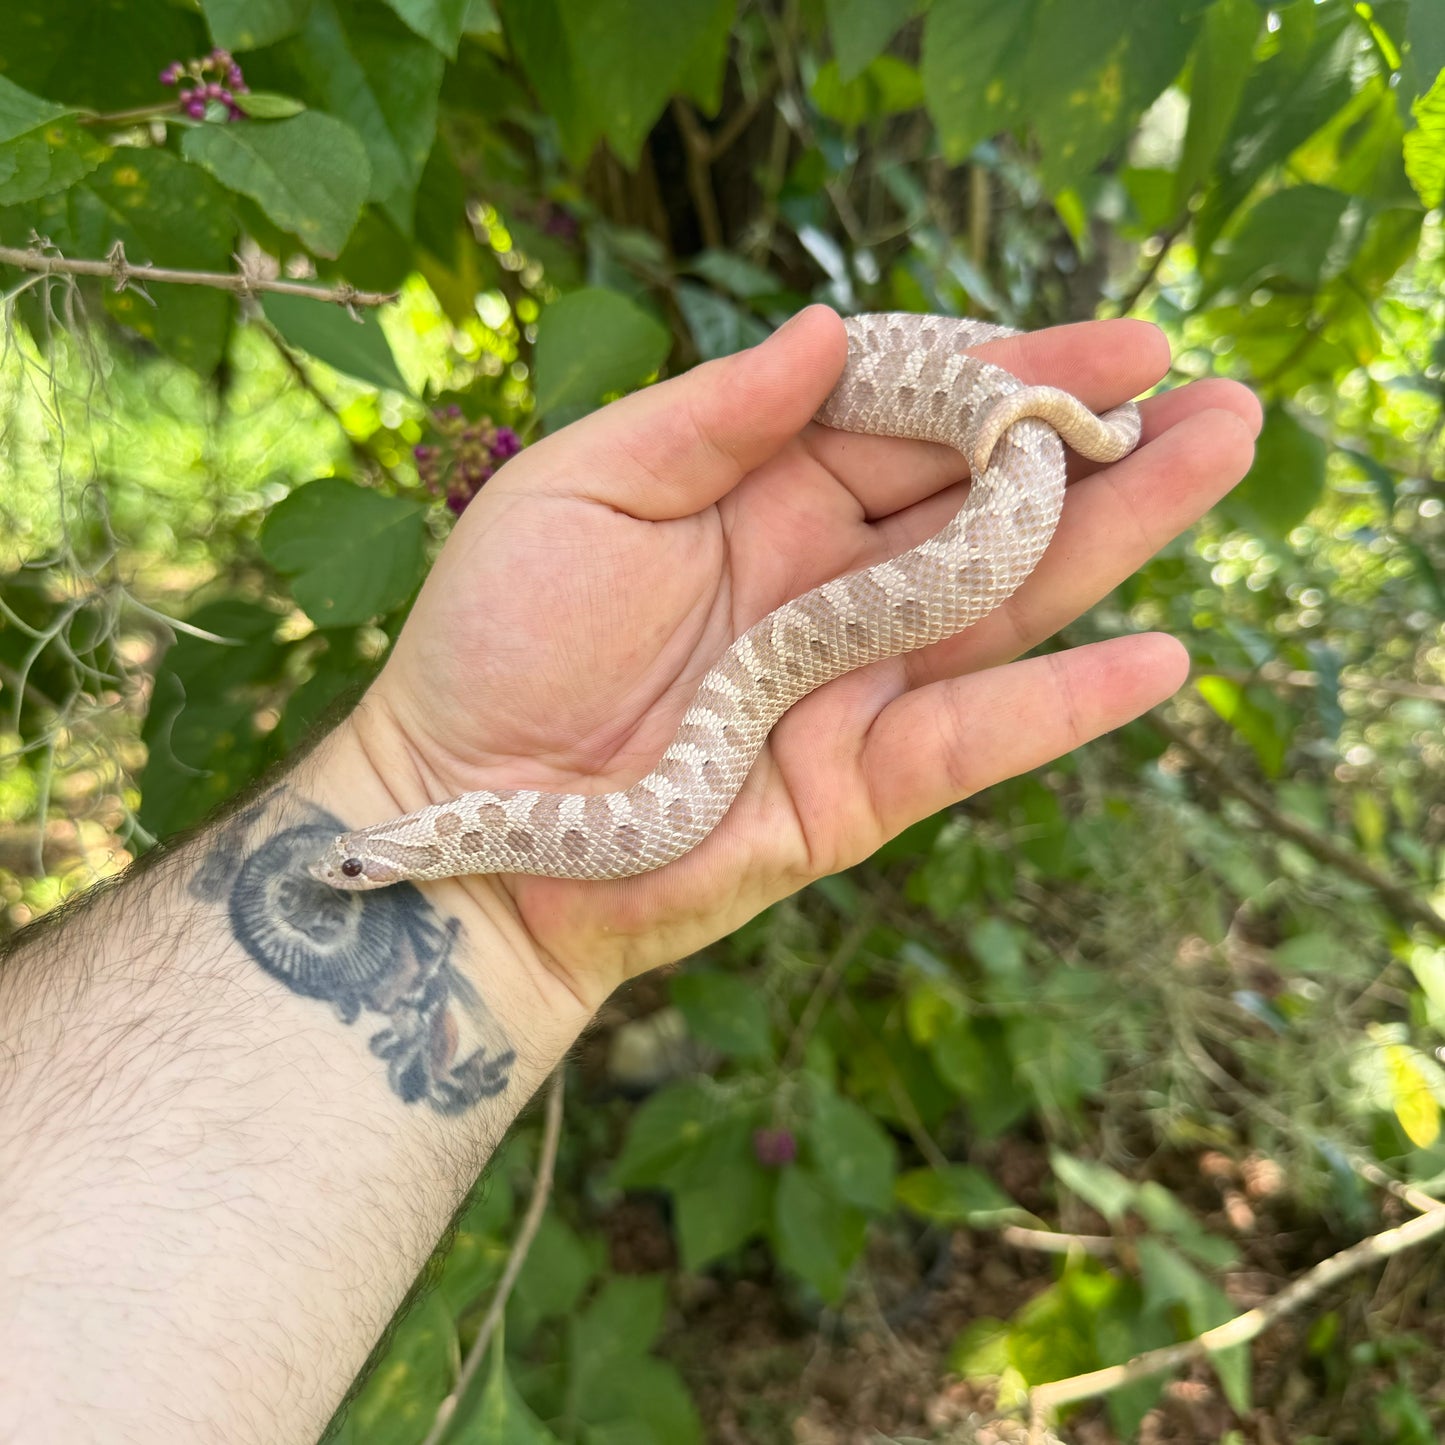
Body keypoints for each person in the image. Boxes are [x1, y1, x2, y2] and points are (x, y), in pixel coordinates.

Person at [0, 307, 1259, 1443]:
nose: (353, 870)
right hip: (515, 809)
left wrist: (1016, 420)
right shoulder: (471, 826)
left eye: (360, 859)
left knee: (1013, 426)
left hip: (945, 510)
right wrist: (396, 805)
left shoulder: (466, 822)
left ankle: (1017, 416)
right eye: (360, 862)